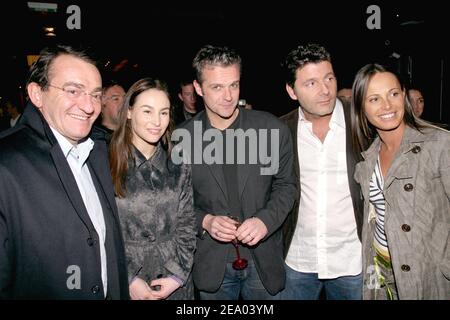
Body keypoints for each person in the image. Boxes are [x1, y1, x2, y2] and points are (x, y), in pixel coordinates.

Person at [0, 45, 129, 299]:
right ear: (37, 94)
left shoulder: (99, 149)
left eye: (94, 95)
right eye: (73, 91)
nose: (89, 106)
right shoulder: (6, 163)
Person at [174, 44, 297, 299]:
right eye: (217, 87)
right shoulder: (182, 138)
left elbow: (286, 186)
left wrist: (265, 221)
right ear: (198, 88)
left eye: (234, 84)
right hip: (211, 263)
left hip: (264, 261)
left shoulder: (271, 130)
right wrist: (205, 221)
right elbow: (175, 201)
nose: (228, 96)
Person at [351, 63, 450, 299]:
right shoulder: (367, 159)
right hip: (381, 272)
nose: (387, 105)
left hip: (427, 275)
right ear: (361, 107)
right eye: (374, 99)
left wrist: (444, 262)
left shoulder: (438, 144)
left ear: (403, 95)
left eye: (393, 94)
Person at [279, 43, 363, 300]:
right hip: (298, 259)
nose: (325, 90)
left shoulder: (361, 122)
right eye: (311, 83)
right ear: (292, 91)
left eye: (329, 78)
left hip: (351, 261)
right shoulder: (281, 131)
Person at [109, 77, 196, 300]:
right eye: (147, 111)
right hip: (127, 281)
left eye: (164, 112)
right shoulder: (106, 162)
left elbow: (187, 225)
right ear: (129, 112)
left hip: (174, 283)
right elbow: (103, 231)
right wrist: (127, 277)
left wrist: (177, 277)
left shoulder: (178, 162)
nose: (157, 121)